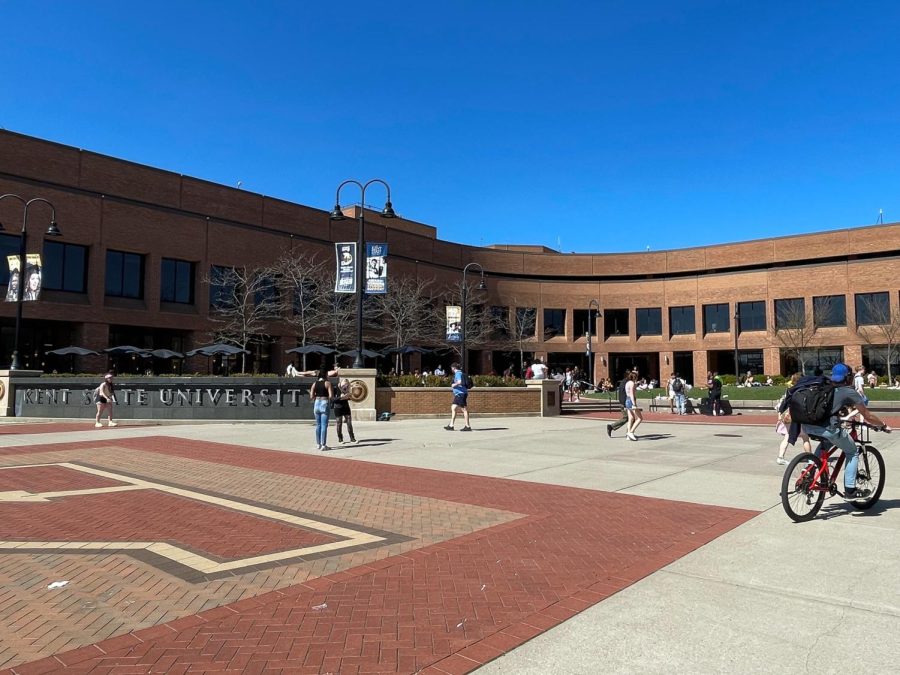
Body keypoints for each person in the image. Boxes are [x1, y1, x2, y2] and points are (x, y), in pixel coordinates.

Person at [782, 363, 891, 500]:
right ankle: (850, 490)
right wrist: (883, 425)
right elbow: (867, 416)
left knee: (825, 444)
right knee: (852, 451)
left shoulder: (823, 386)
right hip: (828, 428)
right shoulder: (848, 392)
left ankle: (809, 471)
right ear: (848, 377)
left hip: (808, 426)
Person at [775, 373, 812, 464]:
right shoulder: (805, 390)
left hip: (788, 416)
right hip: (799, 417)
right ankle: (810, 458)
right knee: (805, 438)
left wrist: (779, 415)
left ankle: (780, 457)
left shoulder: (790, 390)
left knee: (787, 436)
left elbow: (784, 403)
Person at [309, 366, 334, 450]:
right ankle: (323, 445)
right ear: (326, 374)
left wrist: (317, 395)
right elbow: (331, 396)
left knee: (318, 425)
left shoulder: (314, 384)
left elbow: (311, 396)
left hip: (316, 403)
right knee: (324, 425)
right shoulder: (328, 383)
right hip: (324, 403)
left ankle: (318, 444)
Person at [444, 362, 471, 431]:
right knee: (453, 407)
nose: (451, 369)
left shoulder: (458, 373)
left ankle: (467, 426)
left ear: (453, 368)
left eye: (451, 368)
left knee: (464, 409)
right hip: (458, 394)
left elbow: (459, 381)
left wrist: (453, 385)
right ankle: (451, 425)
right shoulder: (460, 373)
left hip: (461, 394)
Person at [606, 370, 631, 437]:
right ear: (627, 376)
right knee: (628, 418)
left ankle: (629, 432)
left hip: (623, 402)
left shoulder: (623, 382)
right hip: (624, 403)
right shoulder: (626, 383)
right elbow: (624, 394)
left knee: (629, 418)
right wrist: (625, 404)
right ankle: (612, 426)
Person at [332, 377, 357, 444]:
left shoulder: (347, 388)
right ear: (341, 384)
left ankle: (352, 438)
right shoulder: (335, 388)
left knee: (349, 422)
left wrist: (349, 396)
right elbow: (333, 399)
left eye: (346, 386)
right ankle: (340, 439)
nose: (345, 387)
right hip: (338, 407)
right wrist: (341, 397)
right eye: (344, 386)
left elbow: (349, 397)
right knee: (339, 423)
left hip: (345, 407)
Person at [624, 371, 643, 441]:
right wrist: (634, 404)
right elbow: (632, 394)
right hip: (631, 401)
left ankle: (628, 434)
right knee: (640, 418)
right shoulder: (632, 383)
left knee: (631, 418)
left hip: (627, 400)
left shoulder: (628, 383)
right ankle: (631, 432)